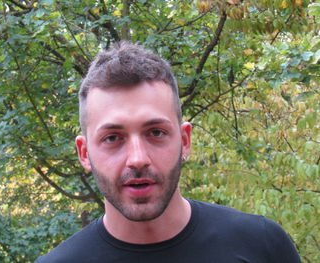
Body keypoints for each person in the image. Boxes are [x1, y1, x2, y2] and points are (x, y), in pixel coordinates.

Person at [35, 42, 301, 263]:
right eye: (112, 138)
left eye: (156, 133)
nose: (138, 158)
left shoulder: (263, 245)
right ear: (84, 153)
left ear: (185, 141)